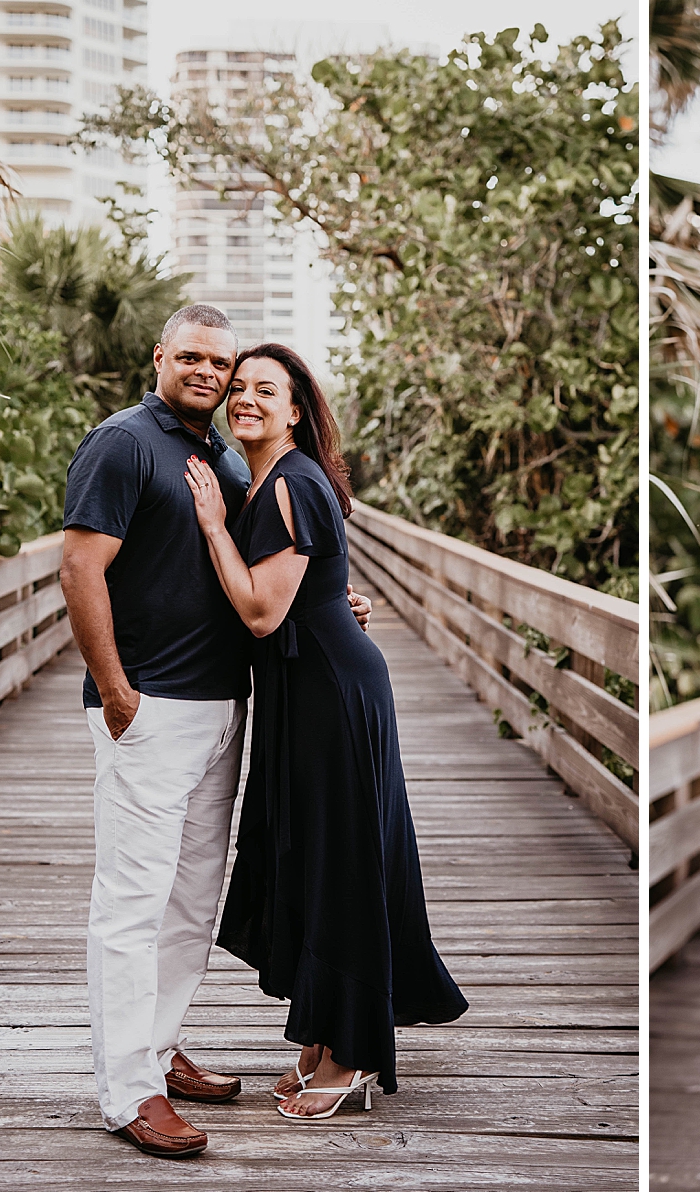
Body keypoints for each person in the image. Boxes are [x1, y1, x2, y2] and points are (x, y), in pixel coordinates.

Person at [60, 305, 372, 1157]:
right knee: (132, 902)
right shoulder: (123, 443)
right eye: (192, 357)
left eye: (221, 364)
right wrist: (116, 691)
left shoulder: (225, 458)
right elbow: (80, 566)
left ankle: (158, 1048)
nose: (208, 373)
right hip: (149, 707)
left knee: (191, 899)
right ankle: (129, 1091)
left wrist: (329, 601)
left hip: (224, 707)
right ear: (160, 356)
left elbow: (260, 567)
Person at [183, 342, 468, 1122]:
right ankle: (320, 1033)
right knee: (312, 858)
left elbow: (260, 611)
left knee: (339, 865)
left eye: (265, 390)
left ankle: (352, 1053)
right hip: (302, 689)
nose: (245, 400)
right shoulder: (268, 479)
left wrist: (213, 526)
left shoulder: (289, 482)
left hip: (330, 694)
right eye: (238, 388)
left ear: (296, 409)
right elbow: (308, 584)